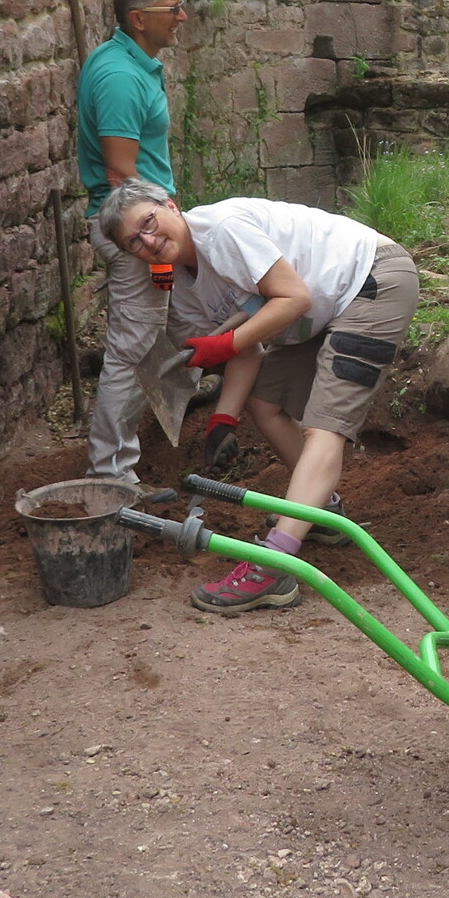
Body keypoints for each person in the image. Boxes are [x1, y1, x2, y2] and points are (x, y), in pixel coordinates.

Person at [95, 180, 420, 614]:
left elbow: (294, 298)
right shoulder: (184, 290)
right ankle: (321, 513)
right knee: (264, 401)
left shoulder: (222, 230)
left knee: (325, 428)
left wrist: (224, 344)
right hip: (324, 309)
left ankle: (275, 566)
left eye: (149, 223)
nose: (149, 241)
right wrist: (223, 419)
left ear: (171, 206)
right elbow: (247, 349)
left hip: (370, 280)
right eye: (134, 242)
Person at [76, 0, 192, 484]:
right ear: (139, 19)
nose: (182, 16)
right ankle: (110, 475)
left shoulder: (132, 62)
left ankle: (157, 435)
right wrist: (159, 241)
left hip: (149, 224)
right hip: (136, 234)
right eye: (173, 9)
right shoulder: (120, 78)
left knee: (164, 327)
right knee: (130, 349)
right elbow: (121, 174)